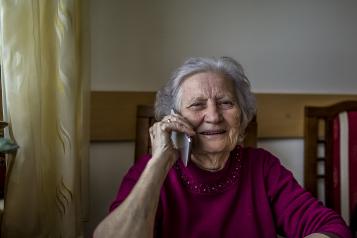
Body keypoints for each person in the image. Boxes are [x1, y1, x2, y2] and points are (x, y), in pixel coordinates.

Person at [94, 57, 352, 238]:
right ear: (174, 118)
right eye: (197, 105)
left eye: (226, 103)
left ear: (242, 117)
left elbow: (332, 227)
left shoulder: (262, 167)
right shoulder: (151, 171)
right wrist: (159, 164)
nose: (214, 116)